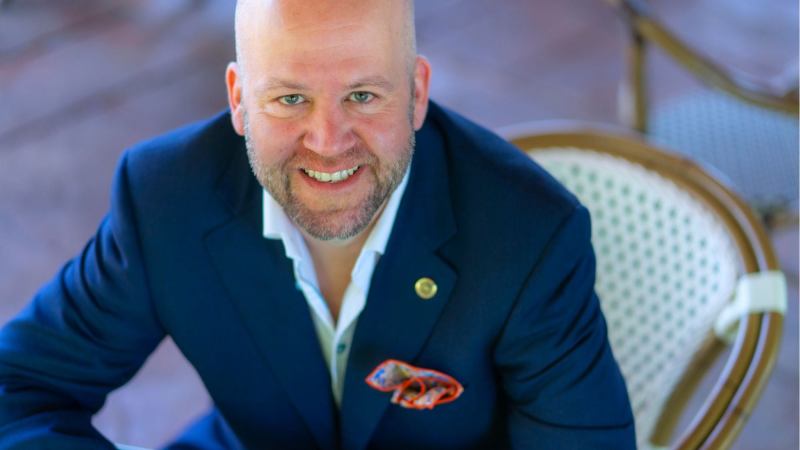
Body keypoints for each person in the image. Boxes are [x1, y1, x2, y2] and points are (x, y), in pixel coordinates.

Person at [0, 0, 635, 448]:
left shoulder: (531, 235)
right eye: (290, 98)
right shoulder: (165, 197)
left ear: (417, 94)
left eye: (363, 95)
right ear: (239, 100)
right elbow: (17, 386)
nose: (328, 143)